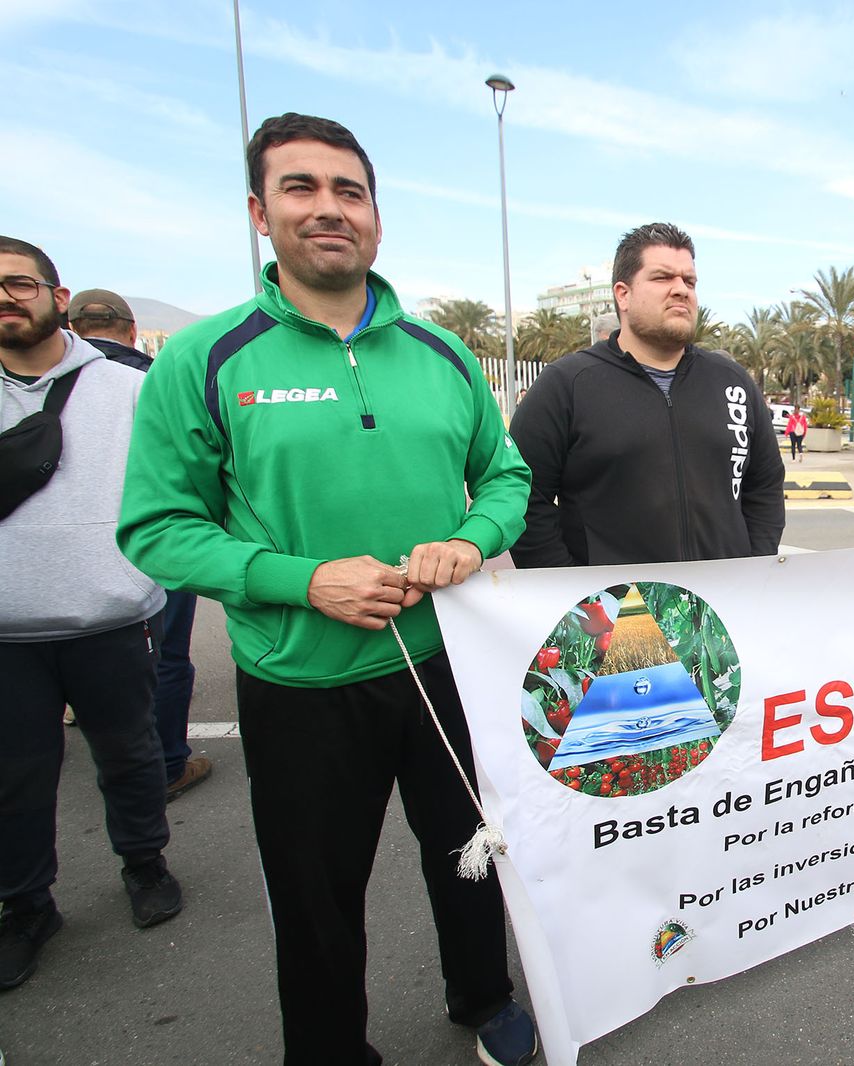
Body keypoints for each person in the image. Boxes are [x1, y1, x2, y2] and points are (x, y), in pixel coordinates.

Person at [116, 114, 538, 1066]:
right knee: (315, 894)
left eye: (350, 191)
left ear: (377, 220)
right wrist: (304, 582)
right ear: (261, 213)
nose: (329, 209)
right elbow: (156, 529)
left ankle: (485, 998)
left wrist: (471, 542)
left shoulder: (443, 355)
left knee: (472, 858)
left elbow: (506, 479)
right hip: (299, 683)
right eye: (301, 188)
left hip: (445, 666)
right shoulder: (206, 358)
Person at [0, 237, 182, 993]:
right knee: (15, 775)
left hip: (107, 617)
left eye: (19, 284)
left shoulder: (125, 388)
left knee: (129, 752)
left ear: (56, 291)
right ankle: (26, 902)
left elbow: (175, 484)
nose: (7, 299)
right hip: (8, 631)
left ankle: (144, 862)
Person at [510, 223, 784, 568]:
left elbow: (765, 486)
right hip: (619, 612)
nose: (681, 290)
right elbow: (522, 495)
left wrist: (753, 565)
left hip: (723, 606)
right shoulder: (567, 384)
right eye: (662, 278)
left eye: (689, 281)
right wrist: (573, 590)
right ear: (623, 294)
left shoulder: (732, 382)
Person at [68, 289, 211, 801]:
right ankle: (168, 763)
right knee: (166, 659)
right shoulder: (144, 381)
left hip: (37, 577)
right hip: (146, 564)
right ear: (131, 331)